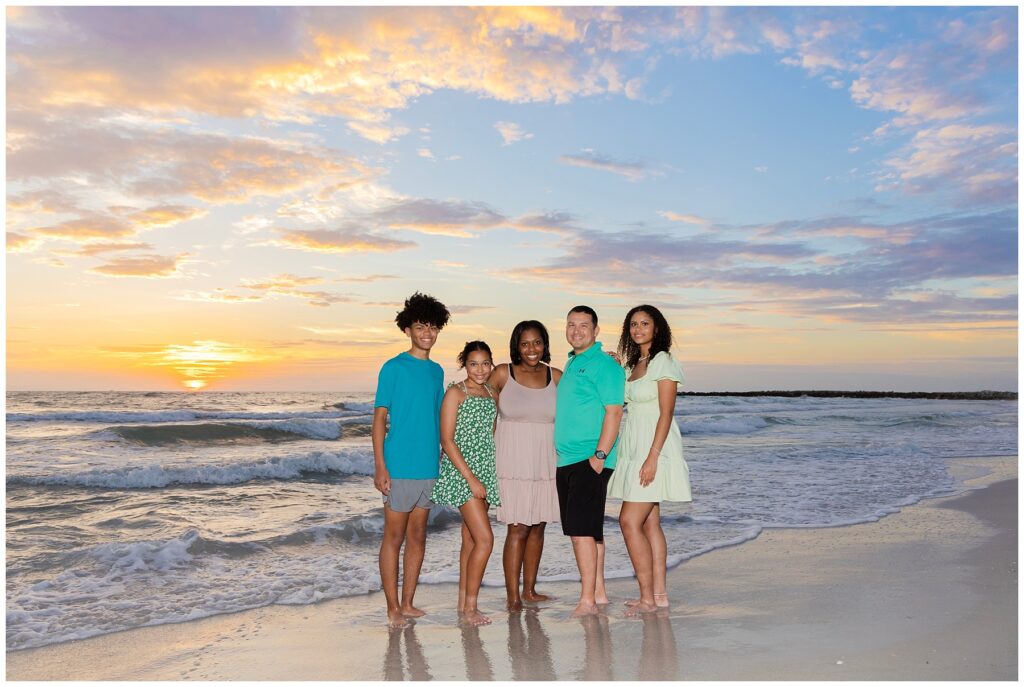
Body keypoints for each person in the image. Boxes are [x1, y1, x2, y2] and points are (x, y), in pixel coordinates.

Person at [372, 292, 451, 628]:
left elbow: (438, 417)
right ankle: (391, 607)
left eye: (432, 327)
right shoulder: (392, 368)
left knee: (418, 536)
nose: (427, 333)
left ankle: (408, 602)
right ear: (407, 329)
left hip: (428, 465)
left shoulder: (436, 371)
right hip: (400, 465)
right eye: (420, 327)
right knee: (394, 537)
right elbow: (379, 419)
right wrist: (380, 466)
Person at [607, 305, 691, 614]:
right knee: (651, 523)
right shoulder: (636, 364)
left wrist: (652, 457)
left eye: (645, 323)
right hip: (634, 445)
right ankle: (659, 595)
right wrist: (618, 367)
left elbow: (666, 413)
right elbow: (626, 396)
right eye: (633, 324)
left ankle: (646, 597)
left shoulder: (663, 361)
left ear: (657, 328)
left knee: (629, 521)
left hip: (655, 446)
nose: (638, 329)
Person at [553, 305, 625, 617]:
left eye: (584, 325)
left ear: (595, 331)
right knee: (590, 529)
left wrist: (599, 456)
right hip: (568, 459)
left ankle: (587, 601)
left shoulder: (604, 366)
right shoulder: (572, 362)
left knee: (581, 530)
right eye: (571, 324)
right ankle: (598, 592)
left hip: (589, 458)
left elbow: (614, 411)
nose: (577, 330)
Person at [488, 320, 562, 611]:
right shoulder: (502, 373)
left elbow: (585, 401)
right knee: (517, 528)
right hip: (512, 462)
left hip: (546, 461)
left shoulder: (556, 376)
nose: (532, 349)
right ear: (516, 346)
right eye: (525, 343)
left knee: (539, 526)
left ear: (545, 344)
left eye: (537, 342)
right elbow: (480, 407)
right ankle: (513, 596)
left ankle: (530, 590)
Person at [431, 341, 501, 626]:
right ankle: (472, 607)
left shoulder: (492, 393)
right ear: (465, 364)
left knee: (471, 540)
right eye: (474, 363)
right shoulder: (455, 393)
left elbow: (490, 435)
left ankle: (462, 603)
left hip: (485, 469)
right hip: (463, 473)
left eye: (486, 363)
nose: (480, 369)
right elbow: (446, 440)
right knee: (486, 539)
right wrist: (471, 479)